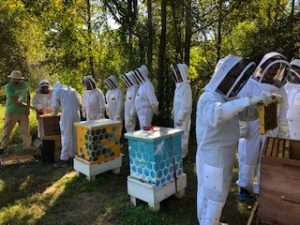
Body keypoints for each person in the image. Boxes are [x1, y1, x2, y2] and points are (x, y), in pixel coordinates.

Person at [196, 54, 276, 225]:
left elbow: (246, 113)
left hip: (222, 158)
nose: (237, 82)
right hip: (213, 159)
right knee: (213, 200)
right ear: (222, 76)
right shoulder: (208, 98)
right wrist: (248, 100)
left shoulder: (228, 97)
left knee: (213, 197)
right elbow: (218, 114)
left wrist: (262, 105)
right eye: (233, 77)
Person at [236, 52, 290, 200]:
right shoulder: (251, 84)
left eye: (276, 69)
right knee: (248, 155)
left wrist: (283, 129)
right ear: (263, 67)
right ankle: (244, 187)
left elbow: (284, 109)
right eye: (271, 68)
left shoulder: (280, 89)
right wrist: (242, 125)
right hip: (251, 125)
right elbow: (239, 104)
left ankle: (261, 188)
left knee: (266, 157)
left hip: (271, 126)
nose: (273, 72)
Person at [0, 71, 32, 154]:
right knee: (7, 130)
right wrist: (28, 106)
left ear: (20, 79)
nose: (16, 80)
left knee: (26, 130)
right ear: (11, 78)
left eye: (17, 79)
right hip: (11, 112)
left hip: (23, 112)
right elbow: (14, 100)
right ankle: (3, 147)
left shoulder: (25, 84)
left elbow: (28, 96)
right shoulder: (8, 87)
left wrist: (28, 108)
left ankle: (28, 147)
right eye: (14, 79)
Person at [51, 81, 81, 165]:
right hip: (76, 113)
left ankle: (64, 158)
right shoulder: (72, 89)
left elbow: (55, 105)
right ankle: (74, 154)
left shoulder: (57, 90)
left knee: (65, 135)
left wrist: (53, 113)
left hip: (67, 114)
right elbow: (79, 102)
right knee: (75, 134)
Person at [171, 63, 192, 158]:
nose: (176, 75)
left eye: (178, 73)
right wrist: (173, 112)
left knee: (183, 136)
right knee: (177, 136)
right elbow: (177, 103)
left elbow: (186, 105)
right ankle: (178, 154)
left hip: (183, 118)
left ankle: (183, 155)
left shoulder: (186, 87)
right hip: (178, 117)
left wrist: (180, 117)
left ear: (182, 73)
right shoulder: (179, 86)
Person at [133, 65, 159, 130]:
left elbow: (152, 99)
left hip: (146, 113)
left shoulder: (148, 85)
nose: (137, 77)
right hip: (142, 114)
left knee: (145, 132)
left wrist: (155, 109)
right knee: (143, 132)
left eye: (139, 74)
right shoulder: (142, 85)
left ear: (143, 74)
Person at [285, 59, 300, 140]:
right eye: (293, 73)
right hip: (286, 129)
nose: (295, 76)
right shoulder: (286, 86)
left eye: (297, 73)